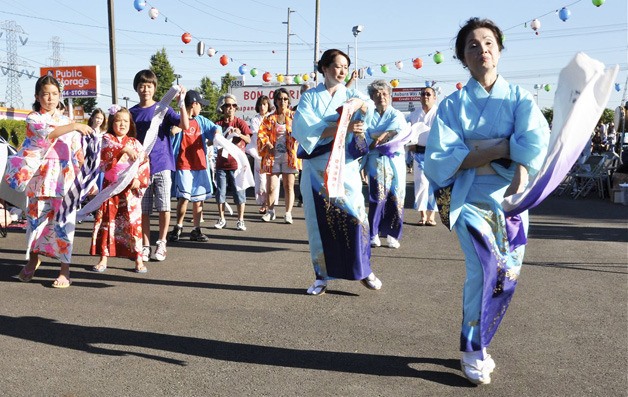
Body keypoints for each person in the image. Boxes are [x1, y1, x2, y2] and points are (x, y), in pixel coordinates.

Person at [424, 18, 549, 385]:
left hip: (510, 199)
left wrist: (488, 154)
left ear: (499, 49)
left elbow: (533, 144)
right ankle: (472, 349)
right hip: (468, 197)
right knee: (484, 269)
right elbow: (442, 159)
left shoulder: (520, 98)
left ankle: (480, 341)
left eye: (489, 43)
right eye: (473, 46)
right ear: (463, 57)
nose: (482, 51)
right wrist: (503, 147)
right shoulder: (452, 106)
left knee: (506, 272)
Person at [292, 48, 382, 295]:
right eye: (337, 65)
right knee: (318, 223)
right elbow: (305, 127)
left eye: (345, 66)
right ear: (324, 68)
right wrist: (343, 125)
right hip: (316, 167)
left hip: (345, 166)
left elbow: (369, 113)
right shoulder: (310, 97)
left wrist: (362, 105)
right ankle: (321, 276)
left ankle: (364, 269)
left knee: (356, 217)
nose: (342, 71)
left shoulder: (352, 94)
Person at [15, 75, 95, 288]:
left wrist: (87, 179)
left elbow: (78, 152)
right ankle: (33, 260)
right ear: (37, 96)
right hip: (40, 176)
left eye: (54, 94)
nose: (50, 98)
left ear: (60, 96)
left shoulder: (67, 122)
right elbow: (48, 135)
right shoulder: (34, 118)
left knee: (64, 223)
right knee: (35, 222)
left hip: (64, 177)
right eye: (45, 94)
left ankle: (65, 271)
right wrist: (75, 126)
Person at [129, 69, 188, 262]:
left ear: (155, 88)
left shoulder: (163, 109)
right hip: (141, 168)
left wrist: (182, 104)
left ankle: (161, 242)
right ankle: (145, 245)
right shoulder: (132, 113)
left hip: (162, 164)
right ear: (136, 88)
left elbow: (185, 126)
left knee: (164, 206)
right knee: (143, 209)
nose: (145, 89)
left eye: (149, 85)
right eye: (141, 85)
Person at [90, 106, 150, 273]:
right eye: (118, 121)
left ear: (130, 124)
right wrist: (122, 149)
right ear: (112, 123)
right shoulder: (107, 138)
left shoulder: (135, 143)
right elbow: (104, 155)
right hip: (111, 187)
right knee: (108, 222)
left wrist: (139, 178)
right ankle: (103, 258)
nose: (122, 124)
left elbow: (144, 161)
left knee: (133, 223)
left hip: (130, 189)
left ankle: (138, 259)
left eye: (125, 121)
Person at [168, 90, 220, 242]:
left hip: (200, 165)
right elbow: (169, 136)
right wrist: (173, 132)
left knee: (199, 199)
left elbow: (215, 129)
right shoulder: (178, 120)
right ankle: (178, 226)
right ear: (194, 104)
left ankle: (196, 229)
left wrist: (217, 132)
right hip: (184, 165)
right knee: (183, 198)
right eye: (200, 105)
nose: (201, 109)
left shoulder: (202, 121)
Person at [363, 79, 410, 249]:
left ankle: (392, 233)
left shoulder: (397, 114)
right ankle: (373, 233)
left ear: (390, 96)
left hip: (394, 159)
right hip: (376, 160)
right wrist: (382, 136)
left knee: (396, 196)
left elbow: (397, 132)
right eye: (377, 93)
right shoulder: (368, 116)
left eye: (384, 93)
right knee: (376, 196)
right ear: (372, 97)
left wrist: (379, 136)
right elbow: (366, 137)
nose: (381, 97)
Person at [257, 88, 301, 224]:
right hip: (272, 157)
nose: (283, 101)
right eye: (280, 99)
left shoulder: (294, 116)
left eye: (285, 99)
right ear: (275, 101)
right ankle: (270, 211)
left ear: (289, 101)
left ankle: (288, 213)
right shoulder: (269, 118)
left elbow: (302, 131)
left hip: (289, 156)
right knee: (271, 187)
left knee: (289, 186)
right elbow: (261, 134)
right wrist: (268, 144)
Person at [214, 94, 252, 231]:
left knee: (239, 192)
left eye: (233, 106)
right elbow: (213, 139)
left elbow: (248, 140)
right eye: (228, 106)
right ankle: (221, 218)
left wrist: (239, 134)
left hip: (237, 165)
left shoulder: (240, 123)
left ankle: (240, 220)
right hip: (221, 164)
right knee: (220, 192)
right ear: (222, 108)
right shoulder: (218, 124)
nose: (230, 108)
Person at [406, 86, 439, 226]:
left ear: (434, 97)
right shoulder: (414, 115)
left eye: (428, 94)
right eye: (423, 94)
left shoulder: (440, 113)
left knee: (434, 184)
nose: (425, 96)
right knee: (420, 184)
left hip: (435, 154)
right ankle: (422, 215)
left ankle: (432, 216)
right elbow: (407, 133)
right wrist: (409, 144)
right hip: (419, 153)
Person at [247, 95, 273, 214]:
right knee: (261, 180)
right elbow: (257, 134)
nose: (262, 107)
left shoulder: (272, 118)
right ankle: (263, 202)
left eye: (265, 104)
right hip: (259, 153)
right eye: (261, 104)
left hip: (271, 153)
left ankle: (270, 203)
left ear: (268, 106)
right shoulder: (255, 120)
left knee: (271, 180)